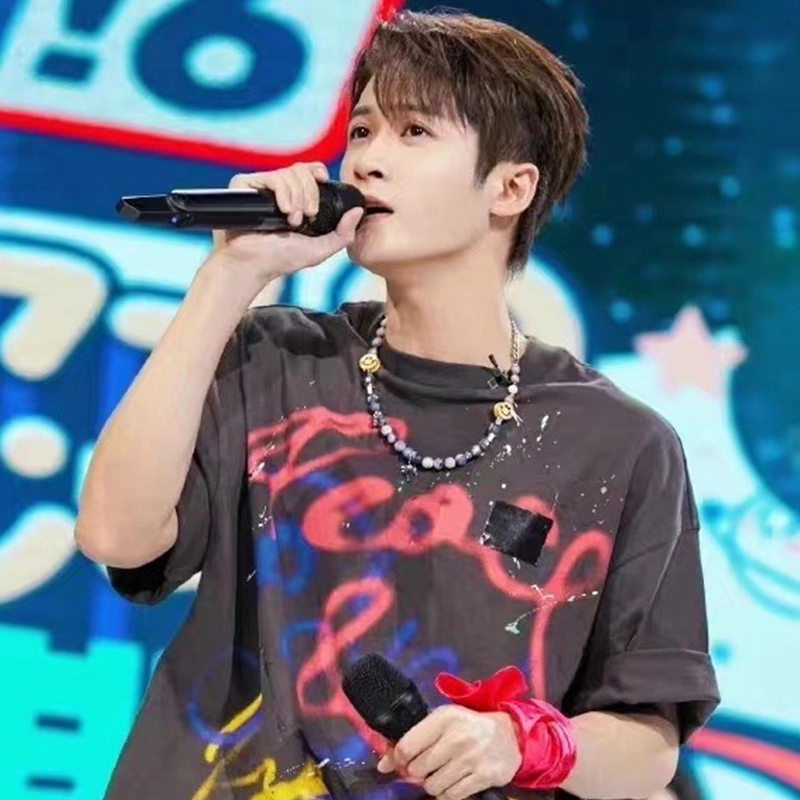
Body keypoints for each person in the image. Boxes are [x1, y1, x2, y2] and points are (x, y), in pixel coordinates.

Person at [76, 9, 720, 800]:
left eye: (414, 132)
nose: (369, 160)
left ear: (511, 188)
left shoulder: (618, 443)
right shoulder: (272, 357)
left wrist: (520, 743)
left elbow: (648, 747)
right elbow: (115, 533)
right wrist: (231, 276)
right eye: (362, 131)